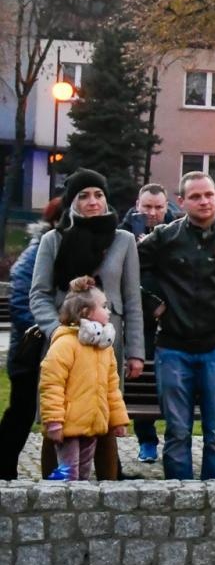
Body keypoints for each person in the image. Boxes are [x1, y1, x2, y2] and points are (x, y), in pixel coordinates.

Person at [139, 171, 215, 479]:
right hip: (173, 347)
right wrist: (152, 303)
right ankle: (179, 498)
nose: (204, 201)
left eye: (209, 194)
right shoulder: (166, 237)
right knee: (177, 431)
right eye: (195, 196)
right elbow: (128, 270)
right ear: (181, 201)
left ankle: (213, 498)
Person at [30, 169, 144, 480]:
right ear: (72, 202)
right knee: (58, 416)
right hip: (64, 344)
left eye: (98, 195)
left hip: (108, 343)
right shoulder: (54, 240)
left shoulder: (123, 240)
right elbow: (38, 294)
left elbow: (132, 299)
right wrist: (57, 331)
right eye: (83, 196)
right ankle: (54, 489)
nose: (92, 201)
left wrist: (136, 351)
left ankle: (108, 487)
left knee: (105, 413)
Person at [38, 277, 130, 480]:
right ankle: (60, 506)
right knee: (67, 475)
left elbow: (112, 390)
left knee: (83, 476)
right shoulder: (65, 345)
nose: (108, 311)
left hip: (92, 426)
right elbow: (51, 385)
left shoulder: (104, 350)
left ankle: (79, 509)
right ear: (86, 313)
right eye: (104, 306)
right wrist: (54, 421)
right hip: (68, 427)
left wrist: (118, 420)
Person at [0, 198, 62, 479]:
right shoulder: (37, 251)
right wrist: (52, 329)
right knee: (22, 411)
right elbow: (24, 303)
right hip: (30, 350)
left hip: (47, 346)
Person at [120, 183, 173, 461]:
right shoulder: (123, 232)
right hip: (139, 320)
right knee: (141, 380)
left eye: (158, 207)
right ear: (137, 205)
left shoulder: (176, 231)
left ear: (167, 207)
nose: (152, 213)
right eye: (147, 207)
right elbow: (122, 279)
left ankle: (177, 440)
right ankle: (147, 440)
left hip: (175, 319)